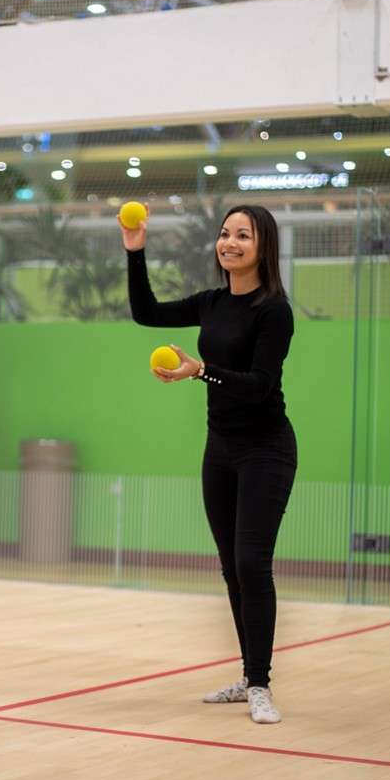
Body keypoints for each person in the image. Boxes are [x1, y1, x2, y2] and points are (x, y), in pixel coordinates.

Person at [121, 203, 296, 724]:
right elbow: (145, 312)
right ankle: (248, 676)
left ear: (263, 246)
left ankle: (261, 685)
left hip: (267, 450)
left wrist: (202, 372)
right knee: (230, 569)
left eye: (243, 235)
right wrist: (135, 249)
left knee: (251, 563)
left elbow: (260, 386)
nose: (230, 243)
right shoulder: (212, 303)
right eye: (225, 234)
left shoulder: (274, 311)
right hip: (219, 451)